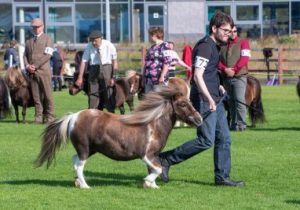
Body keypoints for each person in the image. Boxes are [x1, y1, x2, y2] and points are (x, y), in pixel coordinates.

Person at [159, 12, 245, 187]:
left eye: (230, 31)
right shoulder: (206, 46)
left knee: (225, 139)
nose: (228, 34)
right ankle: (165, 159)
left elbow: (210, 72)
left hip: (216, 98)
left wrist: (219, 85)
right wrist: (209, 98)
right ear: (214, 28)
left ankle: (222, 178)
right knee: (205, 140)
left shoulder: (215, 47)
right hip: (207, 101)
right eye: (226, 31)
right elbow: (197, 76)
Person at [75, 30, 118, 112]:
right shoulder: (89, 46)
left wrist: (114, 77)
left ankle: (111, 114)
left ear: (101, 38)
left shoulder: (109, 45)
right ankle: (92, 114)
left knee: (108, 93)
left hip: (107, 68)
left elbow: (115, 62)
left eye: (95, 40)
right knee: (93, 93)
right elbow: (84, 61)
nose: (93, 43)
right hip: (94, 69)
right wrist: (80, 77)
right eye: (92, 40)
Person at [218, 26, 251, 131]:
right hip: (226, 77)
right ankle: (233, 124)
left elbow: (245, 58)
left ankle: (241, 125)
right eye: (229, 31)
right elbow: (216, 60)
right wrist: (225, 69)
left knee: (239, 100)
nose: (232, 33)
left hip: (239, 76)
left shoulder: (244, 42)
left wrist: (235, 70)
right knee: (231, 102)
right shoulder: (222, 43)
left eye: (235, 31)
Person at [23, 18, 55, 124]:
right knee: (36, 97)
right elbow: (24, 55)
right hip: (32, 73)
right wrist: (27, 65)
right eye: (34, 27)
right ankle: (38, 117)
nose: (36, 29)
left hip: (44, 72)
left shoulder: (48, 39)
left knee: (48, 95)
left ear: (43, 26)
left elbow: (48, 55)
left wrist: (34, 66)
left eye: (38, 26)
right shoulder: (28, 41)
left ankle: (50, 117)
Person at [142, 27, 172, 94]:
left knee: (158, 99)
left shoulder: (165, 46)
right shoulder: (152, 47)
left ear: (155, 35)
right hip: (149, 79)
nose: (149, 37)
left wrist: (162, 76)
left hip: (158, 79)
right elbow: (146, 61)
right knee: (149, 100)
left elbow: (166, 62)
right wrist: (143, 75)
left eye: (150, 35)